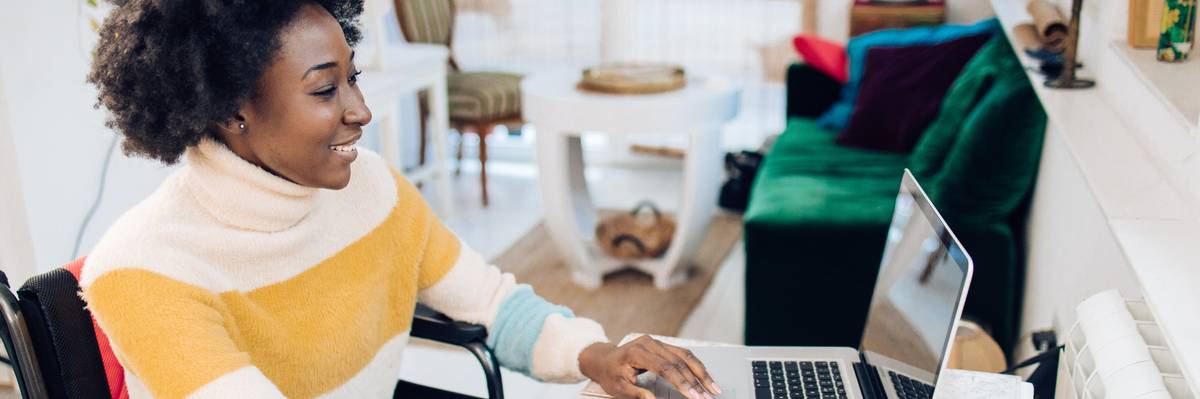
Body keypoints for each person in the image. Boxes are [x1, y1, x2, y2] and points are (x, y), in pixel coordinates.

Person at [79, 1, 721, 398]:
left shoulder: (375, 190)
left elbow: (493, 305)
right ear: (230, 110)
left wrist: (600, 355)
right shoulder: (145, 270)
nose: (361, 110)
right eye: (325, 90)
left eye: (352, 78)